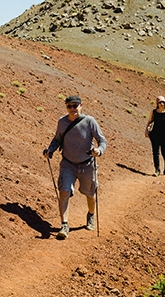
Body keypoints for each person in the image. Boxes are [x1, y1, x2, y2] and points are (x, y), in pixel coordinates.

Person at [43, 95, 107, 240]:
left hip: (87, 164)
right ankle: (64, 225)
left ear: (81, 105)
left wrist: (99, 150)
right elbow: (57, 139)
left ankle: (90, 215)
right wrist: (51, 150)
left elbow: (102, 140)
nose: (72, 109)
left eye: (75, 105)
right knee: (64, 191)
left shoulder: (89, 122)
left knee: (90, 194)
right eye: (69, 106)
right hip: (68, 164)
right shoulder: (62, 122)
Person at [145, 95, 165, 176]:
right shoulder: (153, 112)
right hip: (154, 135)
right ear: (157, 103)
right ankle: (157, 170)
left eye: (163, 102)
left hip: (164, 136)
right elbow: (149, 122)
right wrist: (146, 130)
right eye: (160, 102)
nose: (162, 104)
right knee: (155, 153)